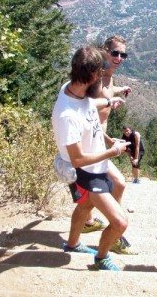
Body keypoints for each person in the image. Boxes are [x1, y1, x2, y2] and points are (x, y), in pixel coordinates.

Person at [52, 46, 131, 271]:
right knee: (119, 222)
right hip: (86, 173)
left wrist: (107, 102)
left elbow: (85, 105)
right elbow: (77, 160)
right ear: (93, 75)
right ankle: (101, 257)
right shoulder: (68, 117)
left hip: (95, 167)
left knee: (85, 206)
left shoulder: (71, 89)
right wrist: (112, 151)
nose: (104, 75)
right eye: (101, 71)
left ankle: (73, 243)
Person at [81, 35, 133, 255]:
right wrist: (110, 142)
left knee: (93, 191)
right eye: (115, 53)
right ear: (105, 51)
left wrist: (119, 91)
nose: (119, 58)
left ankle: (87, 222)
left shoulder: (109, 78)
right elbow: (84, 105)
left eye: (123, 54)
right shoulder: (95, 77)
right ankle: (115, 233)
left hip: (100, 142)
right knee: (118, 184)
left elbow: (107, 91)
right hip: (91, 143)